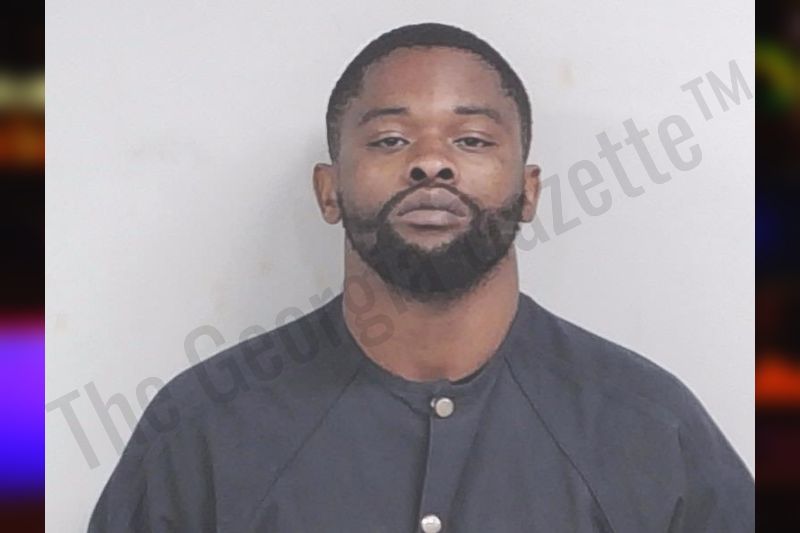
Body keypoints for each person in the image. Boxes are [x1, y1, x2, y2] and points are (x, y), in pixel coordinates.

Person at [88, 23, 754, 532]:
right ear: (328, 190)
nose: (431, 161)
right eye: (389, 139)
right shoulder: (203, 429)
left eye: (471, 139)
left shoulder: (650, 428)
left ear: (528, 191)